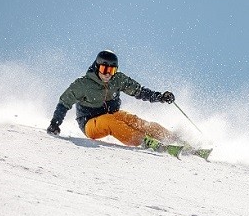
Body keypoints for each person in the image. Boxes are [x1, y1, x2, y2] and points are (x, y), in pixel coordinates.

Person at [46, 50, 178, 150]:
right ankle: (146, 142)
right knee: (110, 121)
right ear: (97, 67)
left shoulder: (118, 79)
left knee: (134, 120)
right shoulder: (83, 84)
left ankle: (172, 138)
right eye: (104, 69)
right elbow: (64, 102)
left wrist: (160, 97)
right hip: (89, 124)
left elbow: (139, 91)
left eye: (112, 70)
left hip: (113, 114)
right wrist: (55, 124)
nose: (108, 74)